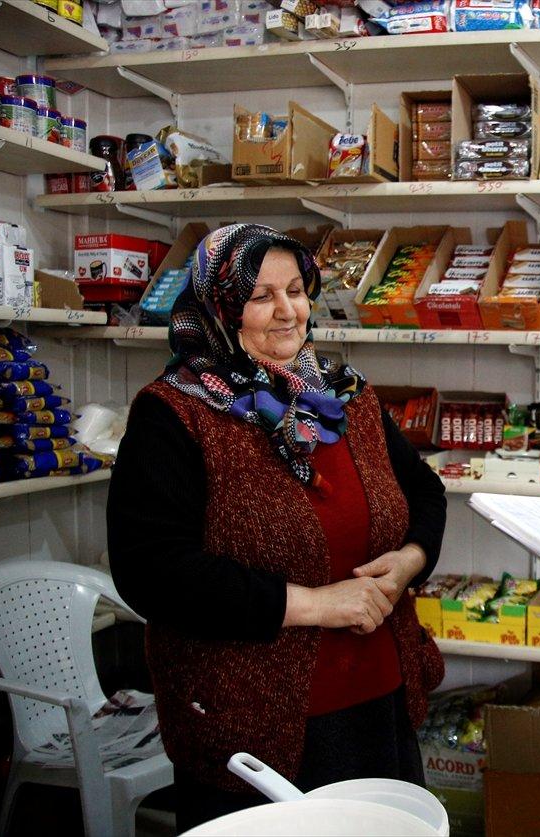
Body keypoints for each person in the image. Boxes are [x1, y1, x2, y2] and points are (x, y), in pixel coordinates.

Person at [107, 224, 446, 830]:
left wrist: (411, 560)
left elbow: (425, 492)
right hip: (254, 724)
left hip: (378, 698)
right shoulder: (176, 414)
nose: (288, 311)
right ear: (220, 306)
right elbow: (151, 570)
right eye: (261, 296)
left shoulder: (345, 396)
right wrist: (315, 605)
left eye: (296, 290)